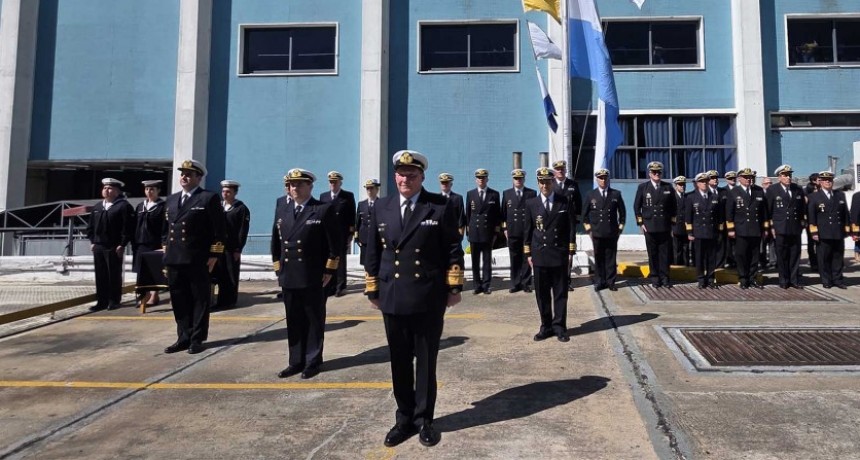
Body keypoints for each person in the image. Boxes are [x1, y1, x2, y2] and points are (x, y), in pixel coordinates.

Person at [363, 150, 464, 448]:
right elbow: (372, 251)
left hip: (427, 297)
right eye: (401, 174)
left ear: (421, 178)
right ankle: (403, 418)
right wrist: (372, 288)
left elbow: (453, 250)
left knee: (425, 362)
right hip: (392, 296)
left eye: (412, 175)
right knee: (399, 360)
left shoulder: (439, 207)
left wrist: (454, 287)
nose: (405, 179)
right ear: (394, 176)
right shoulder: (381, 207)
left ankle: (424, 419)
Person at [272, 168, 340, 379]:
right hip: (289, 273)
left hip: (312, 274)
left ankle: (312, 360)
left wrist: (329, 268)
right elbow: (276, 240)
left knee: (313, 319)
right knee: (293, 320)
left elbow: (334, 244)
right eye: (292, 184)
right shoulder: (282, 208)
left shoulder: (321, 210)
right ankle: (295, 361)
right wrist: (278, 266)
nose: (295, 188)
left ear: (310, 186)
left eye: (300, 184)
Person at [162, 159, 227, 355]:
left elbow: (220, 230)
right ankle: (183, 336)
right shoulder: (172, 200)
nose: (184, 176)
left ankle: (197, 338)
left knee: (200, 300)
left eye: (189, 174)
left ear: (199, 178)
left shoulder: (208, 198)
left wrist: (215, 254)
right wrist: (165, 251)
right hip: (174, 259)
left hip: (197, 258)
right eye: (182, 173)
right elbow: (166, 231)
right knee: (179, 299)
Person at [525, 166, 576, 342]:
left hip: (559, 254)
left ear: (553, 182)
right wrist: (528, 254)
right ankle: (546, 326)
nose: (545, 185)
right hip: (539, 255)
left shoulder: (564, 201)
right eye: (541, 182)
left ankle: (559, 326)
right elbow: (528, 230)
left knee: (560, 293)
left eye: (548, 181)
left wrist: (570, 252)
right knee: (542, 294)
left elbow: (570, 228)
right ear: (538, 183)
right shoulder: (532, 203)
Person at [86, 178, 135, 311]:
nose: (106, 190)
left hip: (114, 246)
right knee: (100, 274)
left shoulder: (123, 206)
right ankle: (101, 301)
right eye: (104, 188)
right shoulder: (97, 207)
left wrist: (122, 244)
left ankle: (114, 300)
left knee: (113, 274)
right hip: (98, 246)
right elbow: (90, 226)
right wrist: (92, 241)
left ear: (117, 191)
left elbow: (127, 227)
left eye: (110, 188)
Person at [633, 161, 676, 288]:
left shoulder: (668, 187)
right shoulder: (643, 187)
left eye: (659, 172)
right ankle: (655, 278)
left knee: (665, 254)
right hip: (650, 226)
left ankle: (665, 278)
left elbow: (674, 208)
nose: (657, 174)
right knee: (652, 254)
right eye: (654, 172)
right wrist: (641, 223)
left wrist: (672, 225)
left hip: (664, 226)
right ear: (649, 174)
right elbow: (637, 207)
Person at [582, 168, 625, 291]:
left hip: (611, 232)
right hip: (596, 233)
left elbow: (622, 214)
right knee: (599, 258)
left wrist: (619, 229)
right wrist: (589, 231)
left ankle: (611, 282)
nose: (603, 180)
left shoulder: (616, 194)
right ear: (597, 179)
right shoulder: (591, 195)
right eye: (601, 178)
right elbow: (584, 216)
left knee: (611, 258)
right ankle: (599, 281)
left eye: (605, 177)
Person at [726, 168, 769, 289]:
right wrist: (730, 229)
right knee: (741, 255)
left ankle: (752, 277)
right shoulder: (734, 191)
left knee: (755, 255)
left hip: (755, 228)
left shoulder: (759, 191)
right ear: (739, 178)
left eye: (750, 177)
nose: (749, 179)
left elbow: (764, 212)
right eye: (746, 177)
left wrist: (765, 228)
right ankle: (743, 278)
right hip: (741, 229)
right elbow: (729, 212)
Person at [766, 165, 806, 289]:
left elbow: (802, 209)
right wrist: (771, 227)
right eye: (785, 175)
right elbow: (768, 210)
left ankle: (794, 280)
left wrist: (802, 224)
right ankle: (783, 280)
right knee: (782, 255)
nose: (788, 177)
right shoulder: (772, 190)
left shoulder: (797, 189)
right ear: (779, 177)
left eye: (789, 175)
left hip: (794, 227)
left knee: (795, 254)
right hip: (780, 227)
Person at [807, 171, 848, 289]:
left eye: (830, 180)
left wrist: (847, 229)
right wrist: (814, 231)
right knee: (824, 258)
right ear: (820, 182)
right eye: (825, 180)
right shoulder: (814, 196)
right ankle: (826, 280)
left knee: (838, 257)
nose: (828, 182)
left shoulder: (840, 195)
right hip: (823, 232)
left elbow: (845, 213)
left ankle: (838, 280)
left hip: (838, 231)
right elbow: (812, 215)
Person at [213, 180, 250, 310]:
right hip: (218, 246)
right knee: (219, 273)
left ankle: (229, 301)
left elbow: (242, 230)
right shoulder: (218, 206)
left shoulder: (241, 208)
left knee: (230, 274)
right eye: (223, 191)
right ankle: (219, 299)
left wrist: (238, 249)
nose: (225, 194)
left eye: (228, 191)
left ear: (235, 192)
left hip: (231, 247)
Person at [319, 171, 356, 297]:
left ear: (340, 182)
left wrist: (351, 234)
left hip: (342, 234)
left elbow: (352, 216)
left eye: (335, 182)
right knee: (330, 259)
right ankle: (331, 285)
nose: (333, 184)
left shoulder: (347, 196)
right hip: (327, 234)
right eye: (331, 182)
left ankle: (341, 286)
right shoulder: (323, 197)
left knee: (340, 261)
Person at [466, 168, 501, 294]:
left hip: (488, 233)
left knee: (487, 261)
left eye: (483, 178)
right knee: (475, 261)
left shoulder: (494, 194)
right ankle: (477, 285)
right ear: (476, 180)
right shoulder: (470, 194)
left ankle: (486, 285)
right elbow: (468, 214)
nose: (481, 180)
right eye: (479, 178)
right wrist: (468, 233)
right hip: (475, 232)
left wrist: (496, 233)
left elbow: (497, 215)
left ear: (487, 179)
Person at [502, 168, 537, 293]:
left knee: (526, 258)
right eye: (516, 178)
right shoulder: (507, 194)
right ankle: (515, 283)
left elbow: (534, 213)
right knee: (514, 258)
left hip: (527, 231)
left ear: (524, 179)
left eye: (520, 178)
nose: (518, 180)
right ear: (513, 179)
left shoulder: (531, 193)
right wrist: (505, 229)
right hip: (513, 232)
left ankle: (526, 283)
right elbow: (503, 214)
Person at [685, 173, 722, 289]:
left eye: (706, 181)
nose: (704, 184)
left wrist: (719, 231)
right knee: (699, 257)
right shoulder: (691, 197)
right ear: (697, 184)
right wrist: (690, 233)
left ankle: (711, 278)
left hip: (711, 231)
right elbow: (688, 217)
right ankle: (701, 279)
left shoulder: (714, 196)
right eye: (702, 182)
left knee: (712, 257)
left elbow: (719, 217)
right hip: (698, 232)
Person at [132, 179, 166, 306]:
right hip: (140, 242)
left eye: (152, 189)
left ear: (158, 191)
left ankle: (154, 296)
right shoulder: (141, 206)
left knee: (154, 270)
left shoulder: (162, 206)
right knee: (141, 271)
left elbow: (164, 226)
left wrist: (164, 242)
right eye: (147, 189)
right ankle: (142, 295)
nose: (149, 192)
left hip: (154, 242)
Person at [551, 160, 583, 291]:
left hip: (569, 225)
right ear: (554, 171)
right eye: (558, 169)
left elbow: (579, 203)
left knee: (569, 254)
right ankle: (555, 281)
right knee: (553, 253)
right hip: (554, 224)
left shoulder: (573, 185)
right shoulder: (550, 184)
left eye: (562, 169)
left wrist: (576, 220)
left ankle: (567, 281)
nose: (560, 171)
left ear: (565, 170)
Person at [355, 179, 381, 266]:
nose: (369, 190)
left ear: (377, 189)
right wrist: (356, 237)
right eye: (367, 188)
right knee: (366, 263)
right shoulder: (361, 204)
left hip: (378, 238)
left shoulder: (382, 203)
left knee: (377, 261)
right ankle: (368, 279)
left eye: (371, 188)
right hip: (364, 238)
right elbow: (357, 221)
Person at [671, 176, 692, 266]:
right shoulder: (672, 197)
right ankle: (677, 267)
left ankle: (686, 267)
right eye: (680, 185)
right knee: (677, 250)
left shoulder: (687, 197)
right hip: (675, 227)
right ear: (676, 186)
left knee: (686, 249)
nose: (682, 186)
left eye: (684, 185)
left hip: (685, 228)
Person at [438, 172, 467, 238]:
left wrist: (460, 235)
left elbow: (461, 217)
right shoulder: (436, 199)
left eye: (447, 182)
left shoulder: (457, 198)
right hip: (439, 234)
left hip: (454, 233)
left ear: (451, 184)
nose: (445, 184)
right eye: (443, 182)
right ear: (440, 184)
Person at [759, 176, 776, 270]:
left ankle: (773, 261)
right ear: (762, 185)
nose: (769, 185)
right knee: (763, 243)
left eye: (770, 183)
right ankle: (763, 262)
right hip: (762, 222)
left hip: (773, 221)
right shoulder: (760, 194)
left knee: (772, 243)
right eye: (766, 183)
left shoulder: (775, 193)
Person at [804, 173, 821, 271]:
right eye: (819, 179)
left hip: (821, 220)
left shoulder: (821, 189)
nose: (821, 181)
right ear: (814, 181)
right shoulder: (807, 191)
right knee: (812, 242)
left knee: (821, 242)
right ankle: (813, 262)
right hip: (810, 220)